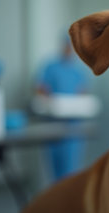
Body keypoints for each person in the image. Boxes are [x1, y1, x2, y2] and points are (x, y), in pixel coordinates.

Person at [36, 36, 90, 181]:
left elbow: (82, 94)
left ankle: (68, 200)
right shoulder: (51, 67)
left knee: (71, 170)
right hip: (53, 123)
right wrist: (49, 100)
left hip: (73, 127)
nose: (69, 49)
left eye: (72, 47)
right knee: (53, 169)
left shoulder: (78, 72)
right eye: (67, 46)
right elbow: (40, 89)